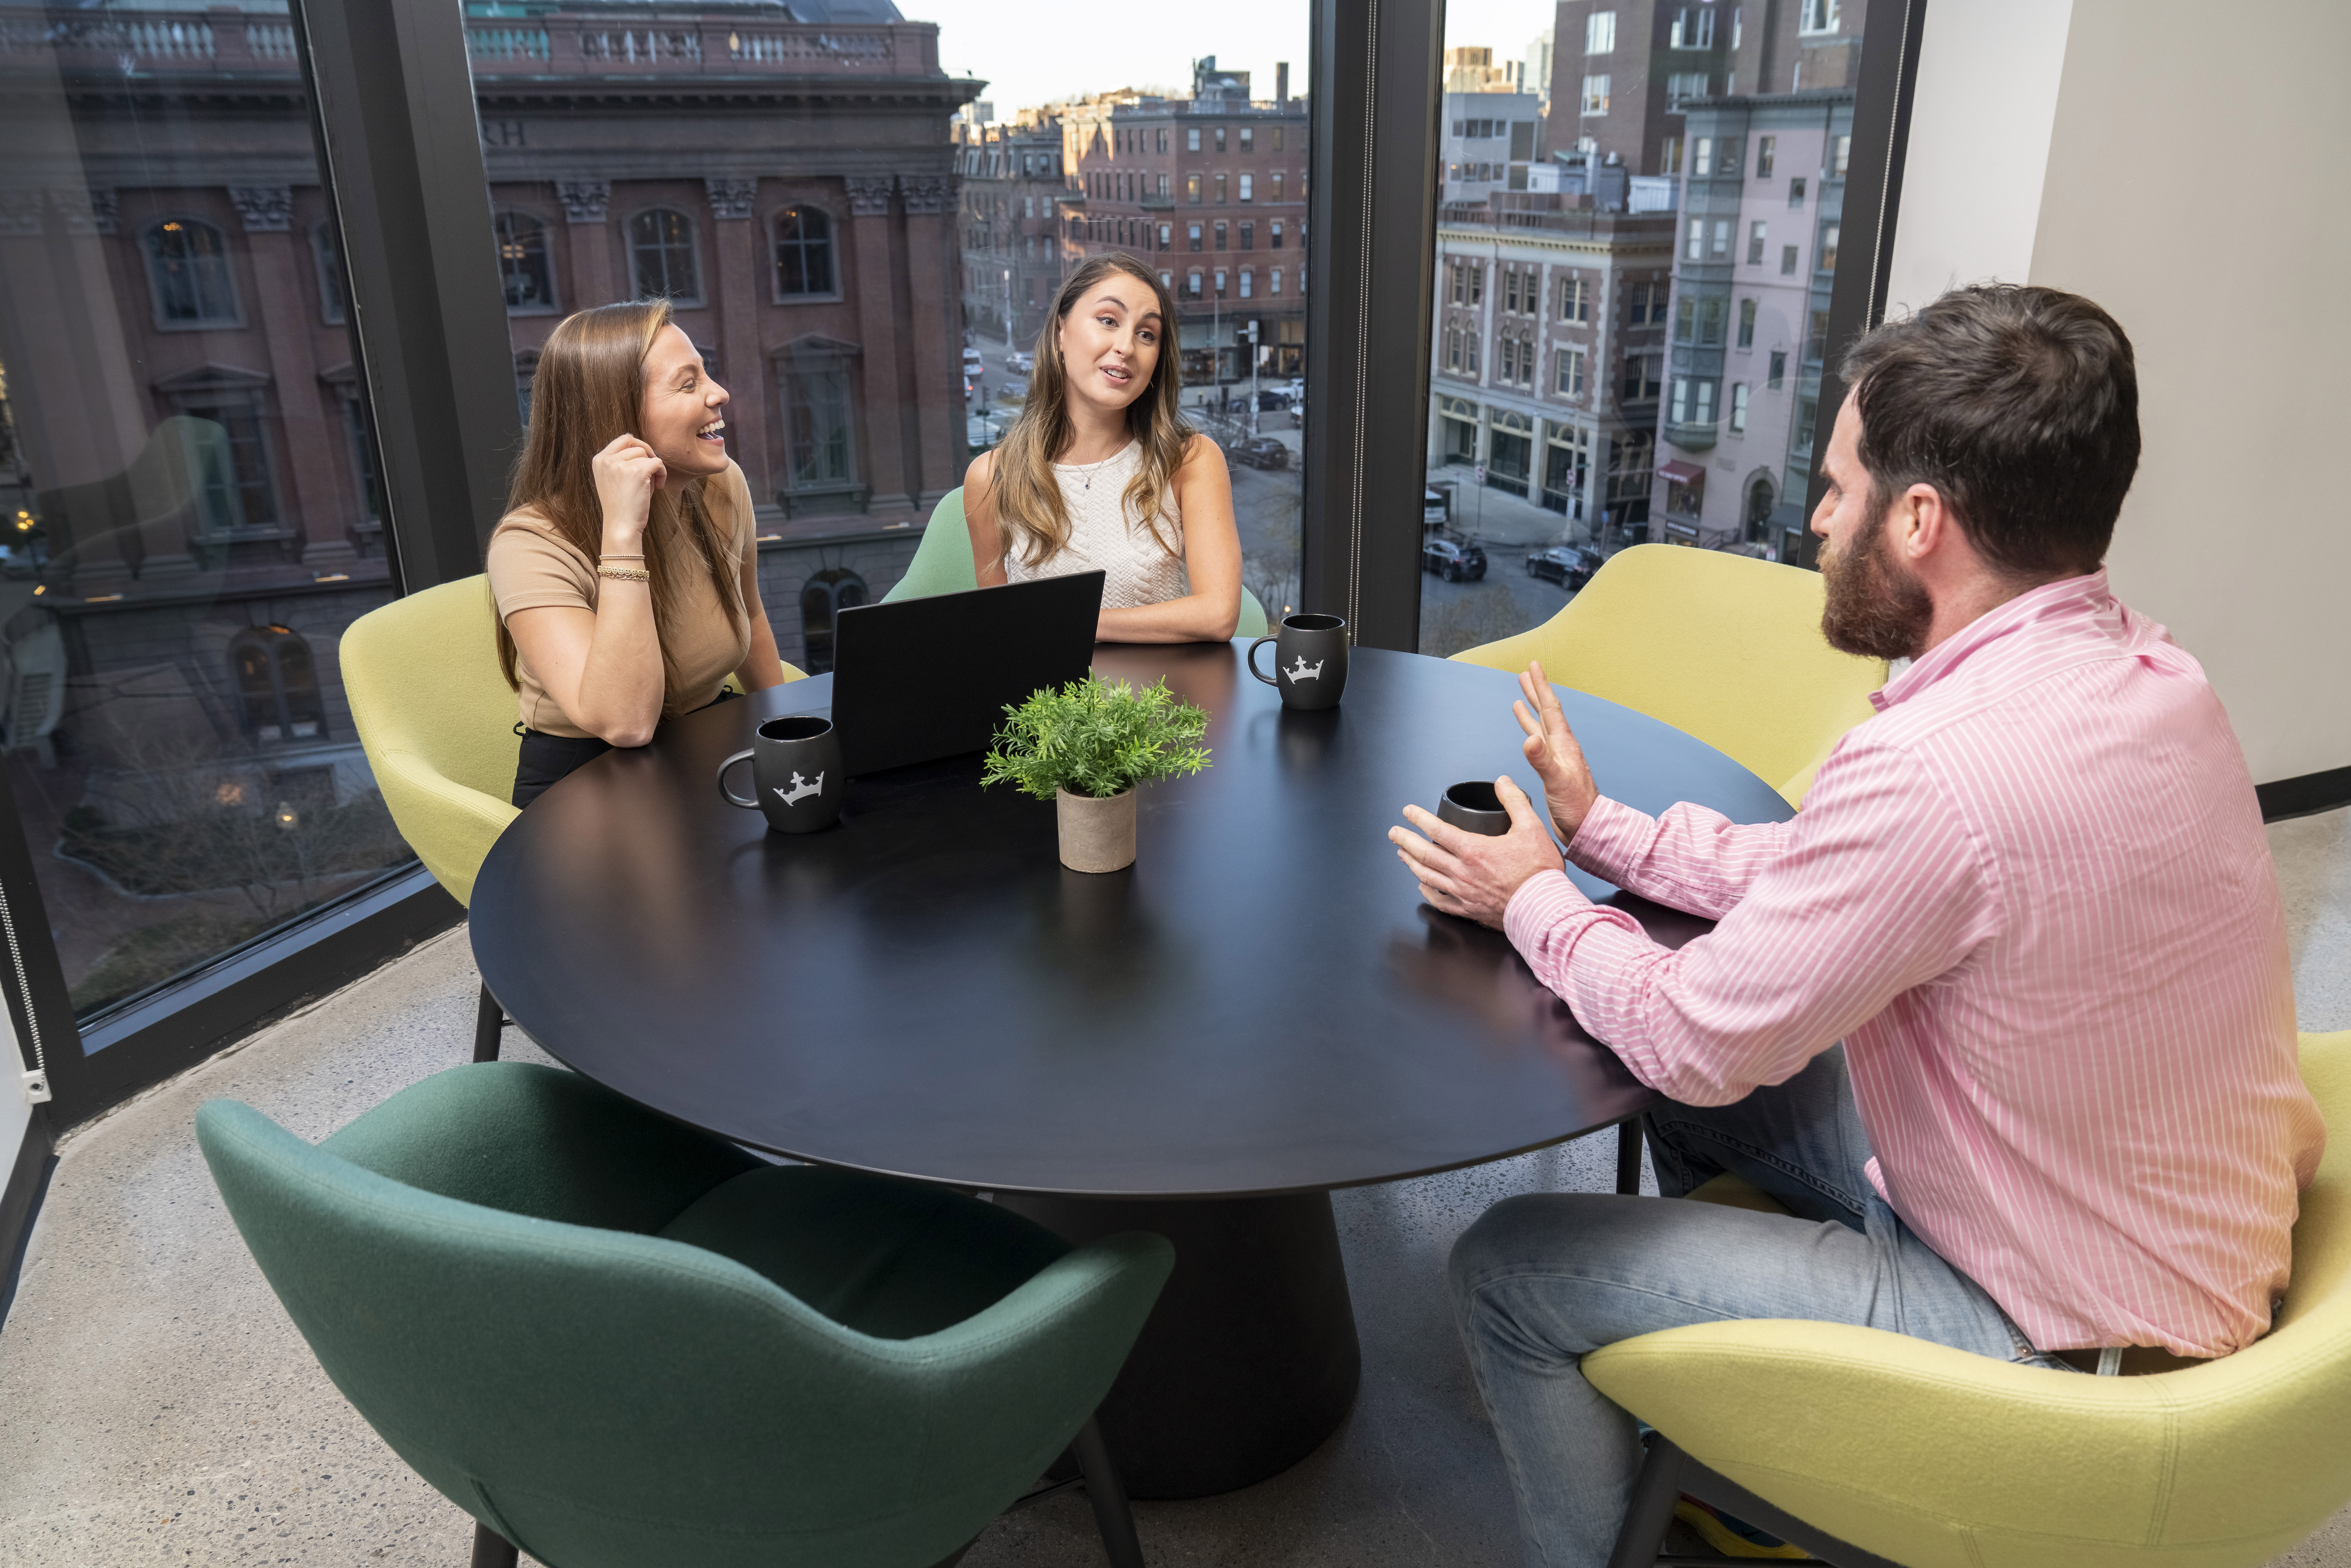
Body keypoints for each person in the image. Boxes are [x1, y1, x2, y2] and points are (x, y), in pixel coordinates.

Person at [1387, 284, 2325, 1568]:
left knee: (1506, 1265)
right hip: (2141, 1222)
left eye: (1837, 489)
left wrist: (1529, 896)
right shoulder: (2146, 674)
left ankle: (1637, 1531)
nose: (1818, 520)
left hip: (2054, 1330)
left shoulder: (1936, 765)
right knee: (1673, 1080)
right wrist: (1601, 832)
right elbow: (1833, 869)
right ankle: (1725, 1412)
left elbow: (1690, 1037)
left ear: (1920, 521)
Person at [487, 300, 788, 807]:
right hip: (588, 786)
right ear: (618, 416)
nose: (720, 394)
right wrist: (623, 534)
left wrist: (788, 736)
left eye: (706, 375)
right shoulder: (529, 544)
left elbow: (751, 615)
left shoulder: (720, 486)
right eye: (689, 384)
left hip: (707, 746)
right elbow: (626, 723)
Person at [964, 254, 1242, 642]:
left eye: (1147, 334)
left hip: (1163, 700)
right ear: (1061, 332)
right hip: (1053, 703)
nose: (1126, 346)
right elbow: (998, 635)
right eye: (1109, 321)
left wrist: (1073, 620)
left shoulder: (1190, 460)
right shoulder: (992, 477)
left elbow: (1218, 615)